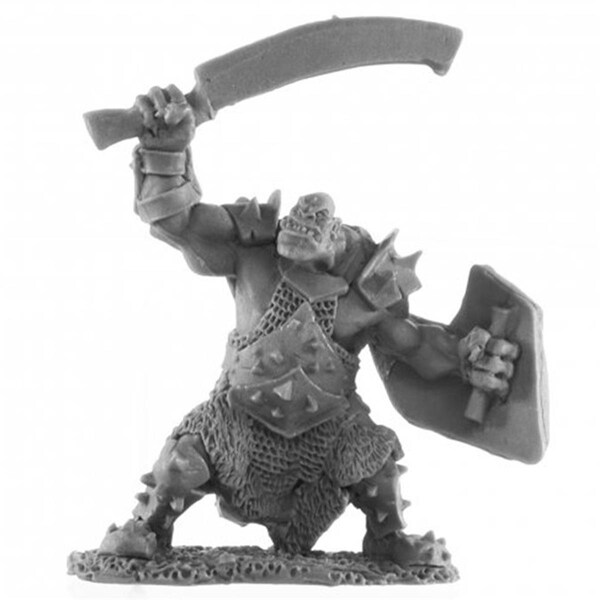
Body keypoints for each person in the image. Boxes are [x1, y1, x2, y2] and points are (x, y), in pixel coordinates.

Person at [99, 85, 518, 566]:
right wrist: (167, 152)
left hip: (324, 439)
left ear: (337, 239)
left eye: (319, 227)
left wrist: (470, 359)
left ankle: (387, 536)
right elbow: (178, 221)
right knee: (183, 458)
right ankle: (150, 528)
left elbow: (418, 345)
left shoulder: (364, 298)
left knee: (374, 456)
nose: (302, 229)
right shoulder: (252, 256)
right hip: (235, 418)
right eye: (298, 222)